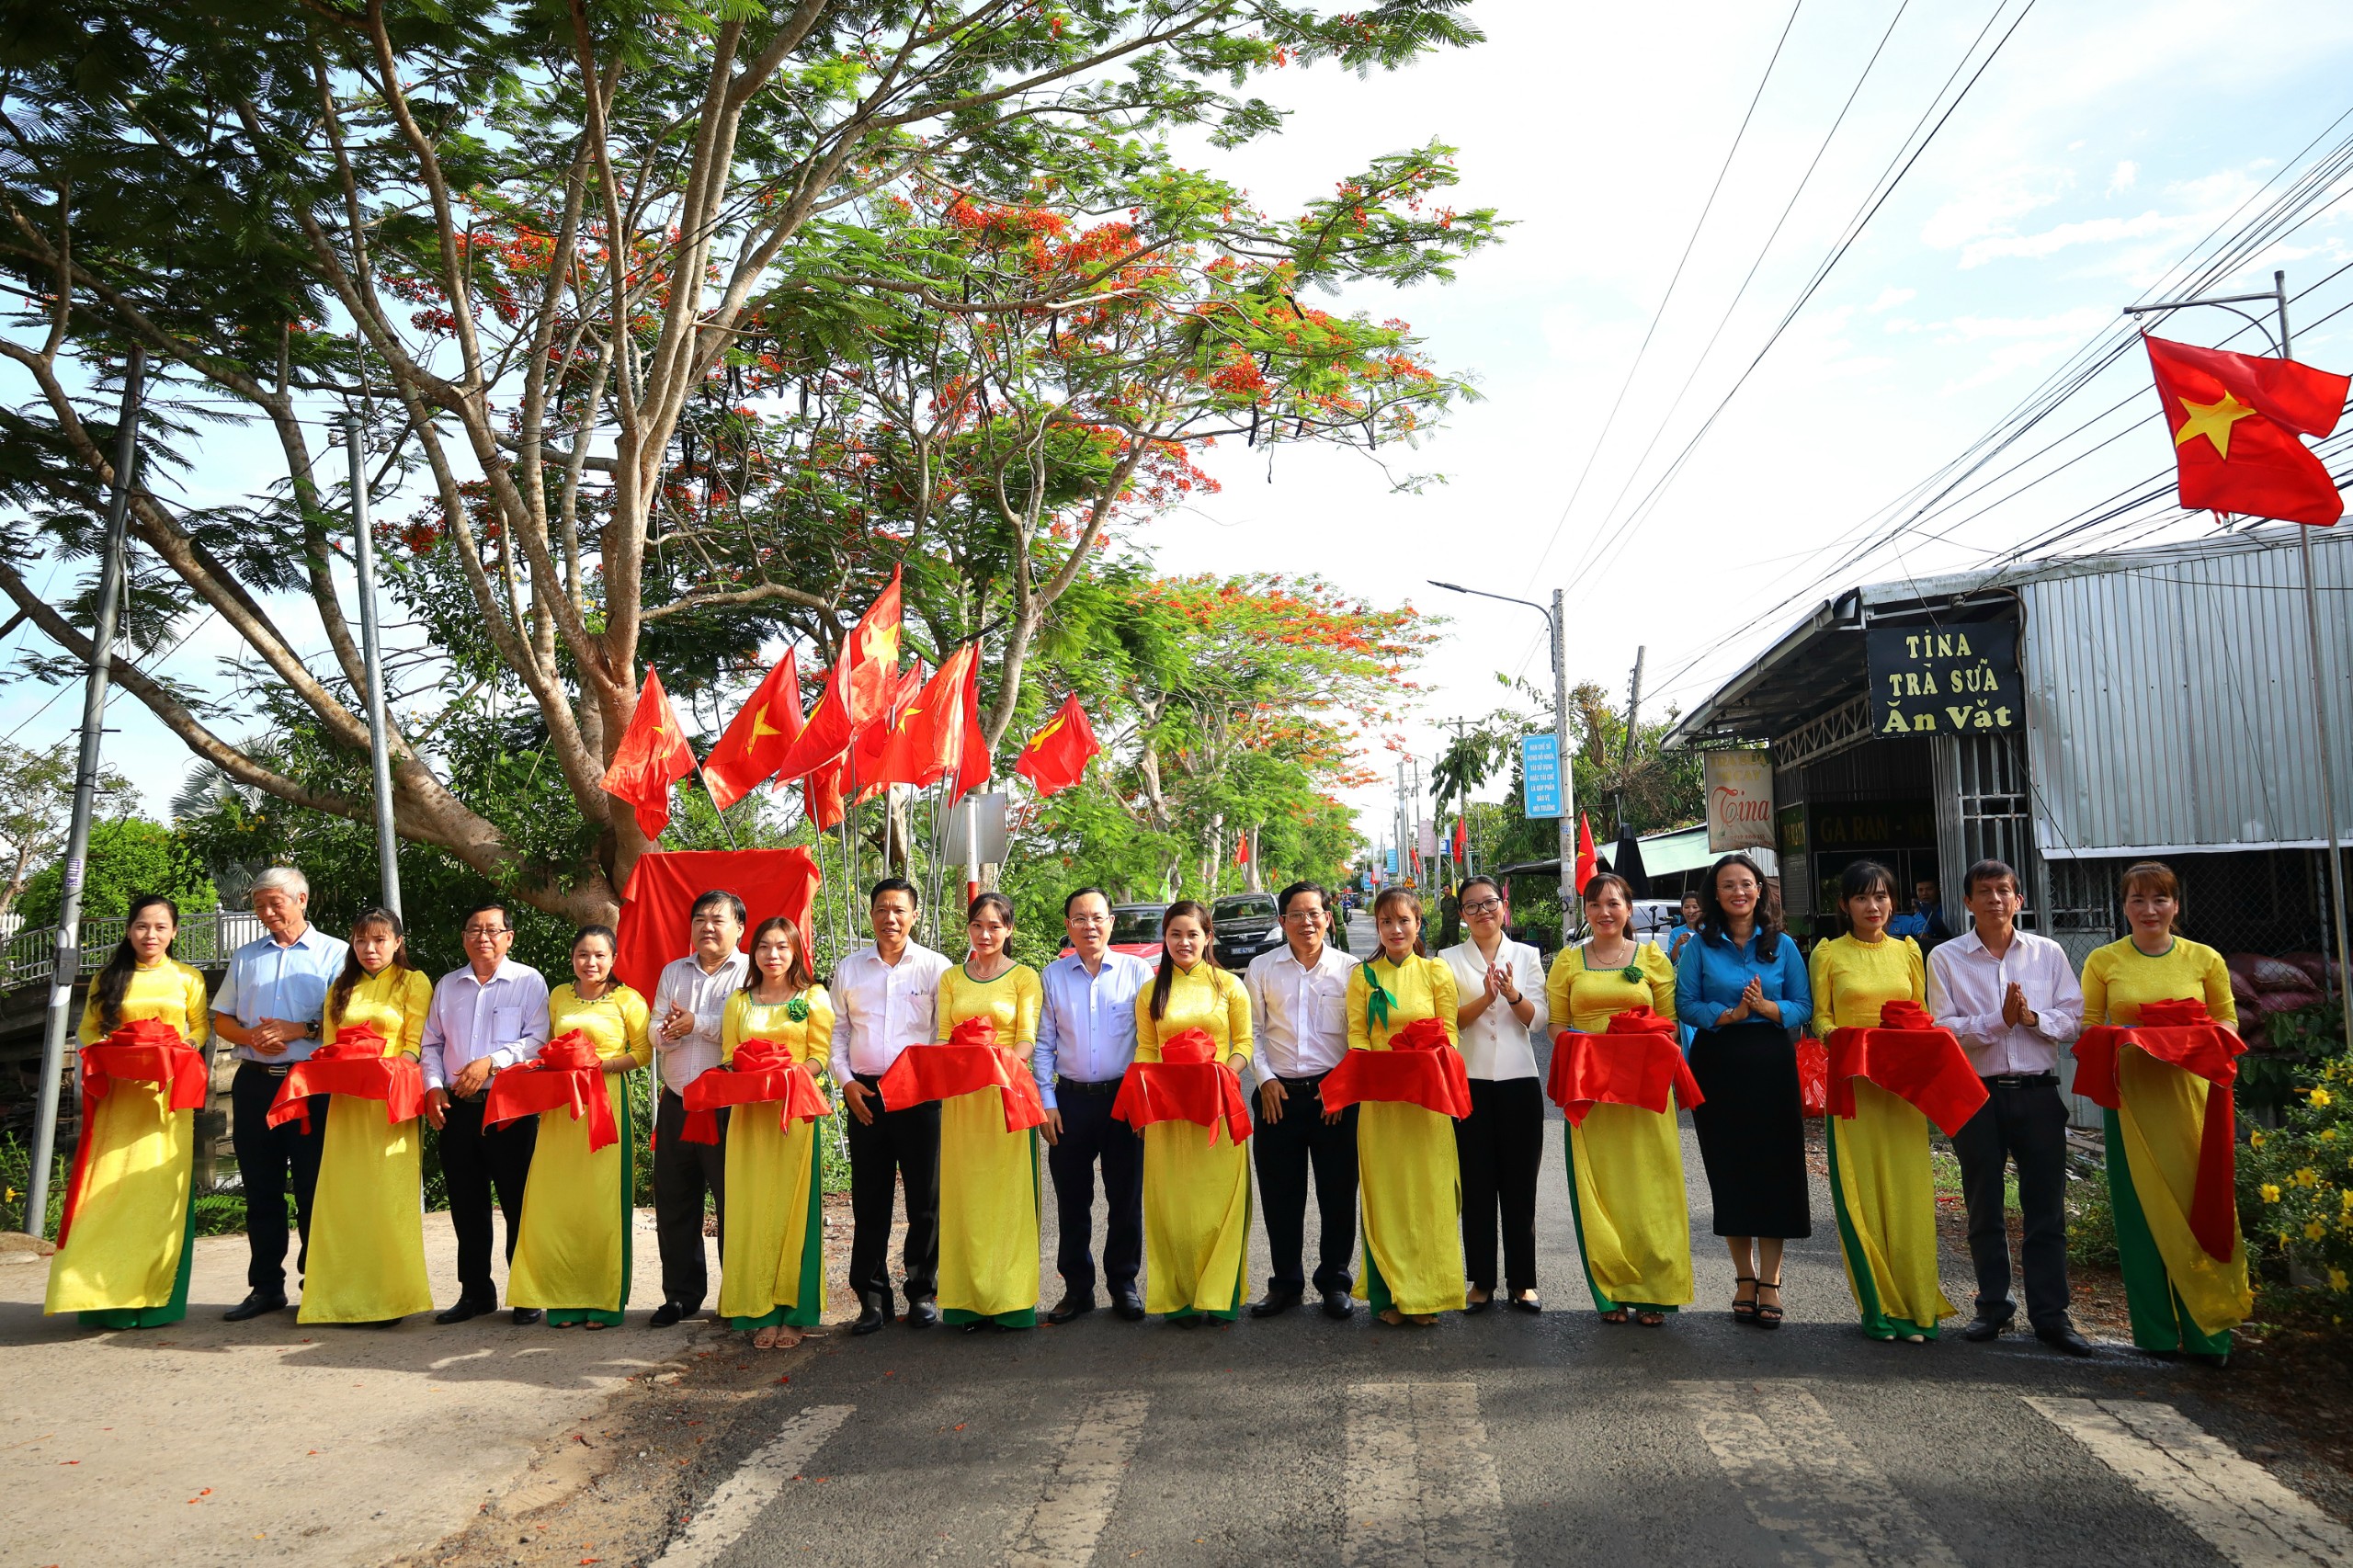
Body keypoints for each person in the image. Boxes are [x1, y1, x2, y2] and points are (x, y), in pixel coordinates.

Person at [2078, 860, 2250, 1363]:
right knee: (2139, 1216)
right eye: (2137, 899)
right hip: (2131, 1104)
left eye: (2159, 900)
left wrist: (2182, 1035)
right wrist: (2131, 1038)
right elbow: (2089, 1030)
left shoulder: (2205, 959)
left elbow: (2229, 1025)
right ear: (2124, 906)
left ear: (2176, 906)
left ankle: (2210, 1331)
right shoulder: (2103, 961)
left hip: (2193, 1105)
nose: (2148, 910)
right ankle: (2155, 1336)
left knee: (2204, 1208)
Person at [1927, 859, 2093, 1356]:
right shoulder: (1946, 958)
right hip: (1977, 1095)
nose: (1995, 899)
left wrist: (2032, 1017)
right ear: (1967, 903)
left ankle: (2051, 1315)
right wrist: (1998, 1023)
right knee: (1984, 1204)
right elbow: (1941, 1029)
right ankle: (1992, 1305)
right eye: (1984, 891)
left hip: (2040, 1093)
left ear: (2019, 900)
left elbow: (2074, 1019)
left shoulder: (2048, 953)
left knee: (2045, 1207)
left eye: (2004, 891)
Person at [45, 895, 210, 1329]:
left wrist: (181, 1048)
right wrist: (112, 1055)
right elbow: (87, 1031)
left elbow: (199, 1027)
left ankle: (156, 1299)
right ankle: (101, 1296)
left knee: (160, 1196)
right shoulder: (109, 977)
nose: (150, 935)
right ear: (128, 930)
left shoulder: (187, 978)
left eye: (160, 927)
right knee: (108, 1195)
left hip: (166, 1105)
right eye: (141, 926)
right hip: (118, 1103)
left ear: (174, 932)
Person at [1809, 859, 1953, 1344]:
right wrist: (1853, 1041)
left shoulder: (1911, 952)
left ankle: (1916, 1307)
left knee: (1909, 1197)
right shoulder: (1828, 954)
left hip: (1903, 1094)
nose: (1873, 907)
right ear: (1844, 906)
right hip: (1855, 1093)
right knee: (1861, 1196)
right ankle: (1878, 1307)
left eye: (1881, 897)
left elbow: (1923, 1018)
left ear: (1894, 902)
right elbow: (1822, 1023)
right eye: (1862, 898)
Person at [1676, 853, 1813, 1329]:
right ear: (1716, 893)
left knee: (1776, 1168)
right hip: (1719, 1064)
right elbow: (1685, 1004)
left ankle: (1771, 1281)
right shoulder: (1698, 946)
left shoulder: (1784, 946)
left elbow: (1803, 1006)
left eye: (1747, 884)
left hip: (1772, 1065)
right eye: (1728, 884)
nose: (1739, 892)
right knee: (1730, 1168)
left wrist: (1767, 1008)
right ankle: (1743, 1277)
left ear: (1760, 891)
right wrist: (1727, 1014)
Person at [1547, 873, 1689, 1327]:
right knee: (1601, 1189)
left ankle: (1655, 1289)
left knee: (1652, 1186)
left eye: (1613, 903)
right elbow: (1556, 1026)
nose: (1604, 912)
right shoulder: (1569, 961)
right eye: (1595, 905)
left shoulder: (1651, 957)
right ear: (1585, 912)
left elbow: (1670, 1024)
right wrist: (1593, 1047)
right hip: (1591, 1092)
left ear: (1629, 908)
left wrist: (1633, 1045)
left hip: (1645, 1090)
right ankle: (1611, 1290)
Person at [210, 867, 348, 1323]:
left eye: (277, 902)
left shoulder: (336, 953)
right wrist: (250, 1038)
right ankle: (266, 1286)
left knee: (314, 1188)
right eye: (260, 904)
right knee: (261, 1189)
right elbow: (221, 1020)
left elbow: (350, 1022)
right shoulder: (246, 957)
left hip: (310, 1082)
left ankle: (317, 1283)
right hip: (254, 1083)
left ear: (302, 899)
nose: (268, 912)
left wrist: (302, 1029)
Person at [507, 925, 652, 1329]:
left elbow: (641, 1053)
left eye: (599, 956)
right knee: (560, 1203)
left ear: (613, 959)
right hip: (560, 1109)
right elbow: (548, 1044)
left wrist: (599, 1066)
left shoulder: (629, 999)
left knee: (601, 1205)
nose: (591, 963)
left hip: (605, 1103)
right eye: (583, 955)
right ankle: (564, 1300)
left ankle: (604, 1301)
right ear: (572, 958)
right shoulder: (558, 996)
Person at [830, 877, 954, 1334]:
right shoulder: (850, 968)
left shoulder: (937, 967)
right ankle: (872, 1297)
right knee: (870, 1199)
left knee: (924, 1199)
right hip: (865, 1094)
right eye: (882, 909)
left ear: (915, 915)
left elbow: (944, 1032)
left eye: (900, 909)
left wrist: (928, 1080)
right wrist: (845, 1083)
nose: (890, 918)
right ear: (871, 914)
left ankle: (922, 1292)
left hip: (920, 1093)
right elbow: (838, 1032)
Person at [301, 908, 434, 1325]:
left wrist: (391, 1070)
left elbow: (415, 1041)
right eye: (361, 941)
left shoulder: (414, 981)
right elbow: (329, 1044)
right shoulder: (341, 987)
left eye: (379, 940)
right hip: (347, 1104)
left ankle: (389, 1298)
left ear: (397, 942)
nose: (370, 949)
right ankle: (341, 1297)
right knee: (344, 1199)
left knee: (386, 1196)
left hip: (390, 1101)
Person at [421, 900, 551, 1324]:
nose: (484, 937)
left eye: (493, 930)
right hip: (458, 1108)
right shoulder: (447, 986)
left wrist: (491, 1062)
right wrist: (433, 1088)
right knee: (466, 1203)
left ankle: (527, 1292)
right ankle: (476, 1293)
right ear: (464, 938)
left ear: (509, 937)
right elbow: (431, 1045)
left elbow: (536, 1041)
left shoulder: (528, 982)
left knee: (519, 1202)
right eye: (475, 930)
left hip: (510, 1107)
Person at [1347, 886, 1466, 1326]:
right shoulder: (1363, 976)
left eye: (1403, 921)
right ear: (1377, 927)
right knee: (1386, 1195)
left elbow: (1451, 1033)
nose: (1395, 929)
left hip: (1427, 1102)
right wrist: (1374, 1069)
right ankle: (1388, 1296)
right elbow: (1357, 1035)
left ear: (1418, 925)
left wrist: (1427, 1060)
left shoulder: (1436, 972)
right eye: (1385, 922)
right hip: (1381, 1104)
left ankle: (1428, 1294)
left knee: (1430, 1195)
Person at [1131, 900, 1255, 1324]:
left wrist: (1223, 1075)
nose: (1184, 942)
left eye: (1192, 934)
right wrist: (1146, 1100)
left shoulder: (1228, 986)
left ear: (1208, 937)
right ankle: (1179, 1294)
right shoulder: (1151, 990)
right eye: (1175, 934)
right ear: (1164, 939)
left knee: (1218, 1202)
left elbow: (1244, 1044)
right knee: (1174, 1206)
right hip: (1168, 1114)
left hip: (1216, 1108)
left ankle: (1219, 1293)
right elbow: (1147, 1049)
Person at [1035, 887, 1155, 1324]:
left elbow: (1149, 1042)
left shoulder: (1138, 972)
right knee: (1072, 1198)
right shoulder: (1053, 975)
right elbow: (1044, 1045)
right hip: (1069, 1100)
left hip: (1123, 1099)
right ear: (1068, 925)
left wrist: (1143, 1103)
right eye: (1080, 919)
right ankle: (1077, 1288)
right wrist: (1046, 1101)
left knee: (1125, 1196)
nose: (1090, 926)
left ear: (1111, 922)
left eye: (1097, 917)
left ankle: (1123, 1283)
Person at [1243, 881, 1359, 1319]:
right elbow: (1251, 1032)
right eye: (1296, 914)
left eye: (1315, 913)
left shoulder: (1350, 970)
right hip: (1277, 1098)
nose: (1306, 922)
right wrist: (1265, 1079)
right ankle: (1286, 1283)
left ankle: (1335, 1281)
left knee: (1337, 1192)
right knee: (1280, 1195)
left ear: (1329, 918)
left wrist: (1342, 1088)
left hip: (1334, 1098)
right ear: (1282, 921)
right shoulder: (1262, 968)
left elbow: (1359, 1038)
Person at [717, 916, 835, 1348]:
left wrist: (789, 1077)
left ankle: (795, 1313)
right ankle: (757, 1310)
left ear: (796, 952)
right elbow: (730, 1056)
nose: (773, 955)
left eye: (782, 947)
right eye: (765, 947)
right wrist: (751, 1077)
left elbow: (821, 1056)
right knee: (751, 1211)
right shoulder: (738, 1002)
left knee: (792, 1212)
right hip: (749, 1120)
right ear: (754, 953)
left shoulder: (813, 997)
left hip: (795, 1118)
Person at [933, 892, 1045, 1329]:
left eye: (995, 926)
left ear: (1009, 930)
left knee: (1006, 1197)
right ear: (968, 928)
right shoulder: (951, 979)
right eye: (977, 925)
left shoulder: (1024, 978)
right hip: (962, 1101)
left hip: (1005, 1096)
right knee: (965, 1196)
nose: (985, 934)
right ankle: (965, 1301)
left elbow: (1026, 1038)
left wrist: (999, 1069)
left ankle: (1011, 1301)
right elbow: (944, 1038)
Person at [1441, 875, 1549, 1315]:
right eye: (1472, 906)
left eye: (1489, 903)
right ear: (1462, 915)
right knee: (1478, 1185)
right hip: (1469, 1083)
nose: (1483, 912)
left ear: (1503, 906)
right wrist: (1487, 997)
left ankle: (1522, 1282)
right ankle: (1481, 1280)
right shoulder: (1447, 960)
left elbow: (1538, 1020)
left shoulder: (1526, 955)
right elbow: (1448, 1022)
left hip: (1519, 1081)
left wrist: (1511, 993)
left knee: (1520, 1187)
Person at [648, 890, 749, 1328]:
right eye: (700, 919)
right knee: (673, 1202)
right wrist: (666, 1032)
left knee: (733, 1203)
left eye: (718, 919)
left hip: (727, 1107)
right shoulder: (674, 971)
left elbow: (743, 1031)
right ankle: (681, 1295)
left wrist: (697, 1023)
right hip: (676, 1103)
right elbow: (653, 1024)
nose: (708, 927)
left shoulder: (751, 971)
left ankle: (738, 1294)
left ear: (740, 928)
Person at [1890, 878, 1952, 948]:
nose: (1924, 893)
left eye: (1929, 889)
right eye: (1920, 890)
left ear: (1938, 890)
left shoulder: (1949, 911)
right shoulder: (1916, 917)